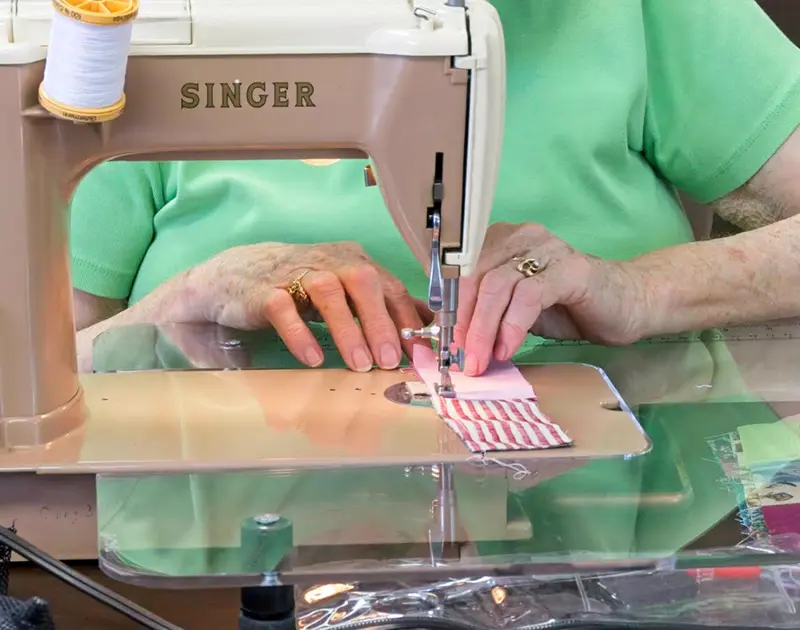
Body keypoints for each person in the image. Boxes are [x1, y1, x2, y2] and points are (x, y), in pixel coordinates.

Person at [71, 0, 800, 572]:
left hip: (621, 543)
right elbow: (34, 366)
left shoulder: (636, 9)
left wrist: (639, 290)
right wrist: (184, 301)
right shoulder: (118, 28)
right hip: (199, 571)